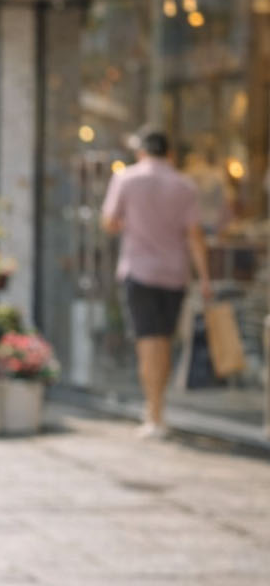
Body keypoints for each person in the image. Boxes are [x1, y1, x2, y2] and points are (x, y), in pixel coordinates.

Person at [100, 128, 212, 439]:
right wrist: (205, 278)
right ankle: (157, 409)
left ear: (141, 153)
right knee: (163, 341)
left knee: (148, 343)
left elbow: (109, 222)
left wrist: (130, 223)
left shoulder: (126, 179)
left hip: (140, 272)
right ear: (171, 155)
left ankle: (154, 414)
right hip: (175, 273)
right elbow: (195, 236)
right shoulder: (184, 185)